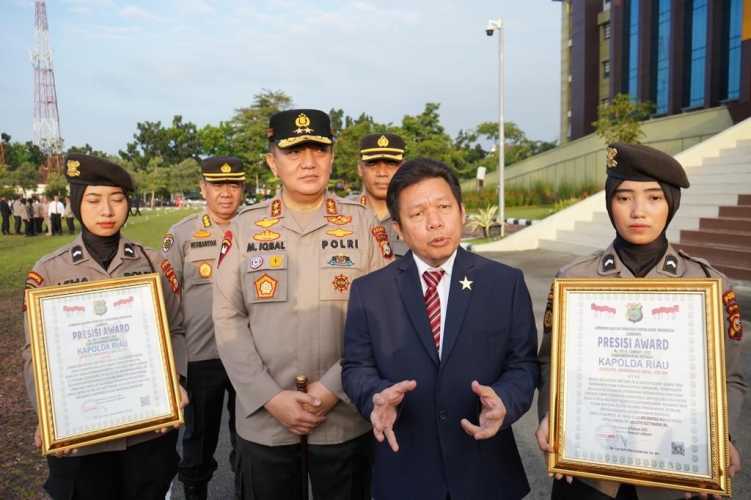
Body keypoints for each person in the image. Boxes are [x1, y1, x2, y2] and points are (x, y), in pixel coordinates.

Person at [535, 143, 746, 500]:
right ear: (609, 204)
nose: (638, 211)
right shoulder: (575, 280)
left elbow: (730, 377)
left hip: (676, 480)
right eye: (623, 197)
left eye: (653, 198)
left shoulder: (708, 285)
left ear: (671, 204)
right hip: (589, 472)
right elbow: (549, 361)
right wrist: (551, 417)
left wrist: (719, 439)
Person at [212, 109, 390, 500]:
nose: (308, 162)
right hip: (265, 419)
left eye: (319, 150)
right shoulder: (244, 228)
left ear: (332, 156)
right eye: (294, 152)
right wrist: (270, 397)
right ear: (272, 163)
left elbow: (385, 319)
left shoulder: (363, 225)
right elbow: (227, 318)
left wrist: (331, 388)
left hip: (344, 415)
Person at [342, 158, 539, 500]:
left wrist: (504, 400)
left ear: (462, 211)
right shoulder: (370, 291)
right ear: (399, 228)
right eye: (417, 214)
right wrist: (375, 396)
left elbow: (523, 365)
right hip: (405, 473)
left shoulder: (504, 283)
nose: (435, 222)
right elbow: (356, 367)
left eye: (444, 207)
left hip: (485, 471)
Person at [22, 154, 189, 500]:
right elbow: (34, 353)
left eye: (117, 199)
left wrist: (176, 383)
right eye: (94, 200)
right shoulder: (49, 272)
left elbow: (176, 329)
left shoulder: (153, 262)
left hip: (148, 429)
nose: (107, 211)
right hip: (83, 439)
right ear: (75, 203)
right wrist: (48, 416)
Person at [161, 156, 245, 500]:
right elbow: (166, 300)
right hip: (200, 357)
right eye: (217, 185)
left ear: (243, 188)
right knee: (198, 441)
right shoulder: (181, 235)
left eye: (234, 185)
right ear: (202, 188)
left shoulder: (259, 228)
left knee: (250, 441)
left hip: (248, 355)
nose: (225, 193)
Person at [356, 133, 408, 258]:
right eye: (372, 164)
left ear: (403, 168)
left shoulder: (416, 216)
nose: (382, 173)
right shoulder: (340, 216)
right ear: (359, 169)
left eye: (391, 164)